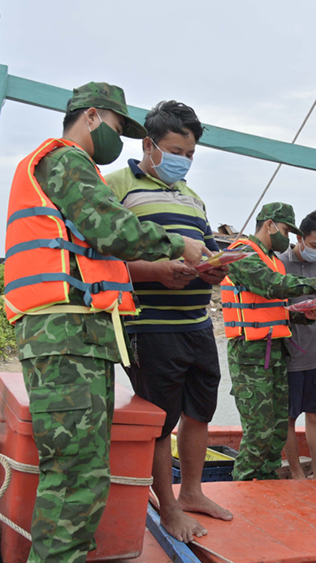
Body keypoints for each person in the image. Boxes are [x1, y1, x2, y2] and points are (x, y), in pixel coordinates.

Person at [3, 82, 207, 563]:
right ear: (92, 117)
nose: (119, 141)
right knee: (76, 475)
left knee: (83, 472)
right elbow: (111, 228)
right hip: (65, 336)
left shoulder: (63, 166)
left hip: (75, 336)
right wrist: (179, 245)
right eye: (117, 128)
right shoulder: (67, 160)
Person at [105, 100, 232, 543]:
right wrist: (157, 270)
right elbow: (103, 257)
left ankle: (193, 491)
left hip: (197, 322)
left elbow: (209, 249)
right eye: (177, 150)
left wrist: (218, 267)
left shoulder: (193, 198)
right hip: (150, 323)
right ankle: (168, 505)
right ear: (149, 144)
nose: (185, 161)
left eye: (192, 154)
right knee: (160, 420)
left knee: (199, 411)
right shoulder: (115, 185)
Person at [223, 202, 316, 481]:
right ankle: (244, 488)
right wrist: (314, 285)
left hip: (275, 354)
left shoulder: (270, 257)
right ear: (270, 224)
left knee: (275, 432)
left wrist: (305, 315)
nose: (286, 237)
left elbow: (275, 309)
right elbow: (270, 284)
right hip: (250, 356)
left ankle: (266, 485)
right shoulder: (241, 253)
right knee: (257, 433)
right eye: (285, 230)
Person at [278, 210, 316, 480]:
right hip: (287, 355)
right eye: (314, 246)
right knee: (288, 418)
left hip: (315, 355)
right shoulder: (279, 264)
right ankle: (296, 471)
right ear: (299, 238)